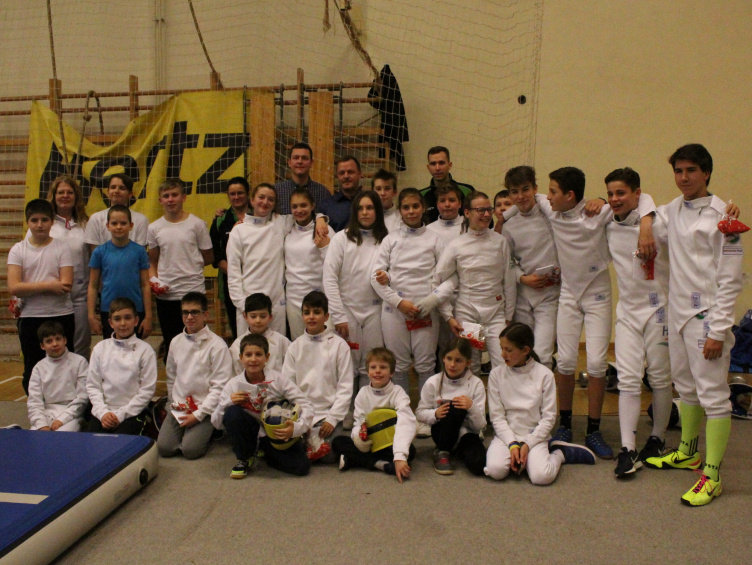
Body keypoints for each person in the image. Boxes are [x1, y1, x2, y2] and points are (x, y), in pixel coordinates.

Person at [498, 166, 656, 459]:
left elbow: (643, 199)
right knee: (566, 361)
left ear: (570, 196)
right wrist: (501, 218)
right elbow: (525, 200)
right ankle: (565, 425)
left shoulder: (599, 213)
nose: (548, 197)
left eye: (553, 192)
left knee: (595, 363)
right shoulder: (551, 209)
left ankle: (594, 430)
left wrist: (643, 223)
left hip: (598, 295)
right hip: (569, 294)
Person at [644, 144, 744, 506]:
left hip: (708, 317)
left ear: (706, 173)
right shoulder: (671, 210)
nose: (683, 178)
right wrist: (645, 226)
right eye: (678, 171)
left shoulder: (724, 217)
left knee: (713, 396)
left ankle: (713, 476)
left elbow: (731, 280)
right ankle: (688, 452)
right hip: (678, 314)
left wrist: (719, 330)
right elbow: (644, 209)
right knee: (685, 387)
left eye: (691, 171)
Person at [604, 168, 674, 478]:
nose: (614, 199)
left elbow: (652, 204)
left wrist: (646, 222)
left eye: (621, 192)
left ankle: (657, 438)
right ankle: (628, 448)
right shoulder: (608, 224)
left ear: (637, 194)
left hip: (659, 310)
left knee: (659, 377)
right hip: (628, 312)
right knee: (628, 379)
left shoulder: (658, 224)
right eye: (611, 193)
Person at [371, 188, 444, 437]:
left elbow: (444, 277)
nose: (411, 211)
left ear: (422, 207)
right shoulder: (390, 240)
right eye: (406, 207)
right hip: (395, 311)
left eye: (415, 206)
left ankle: (424, 416)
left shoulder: (435, 239)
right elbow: (376, 277)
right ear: (400, 210)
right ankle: (402, 416)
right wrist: (399, 302)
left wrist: (428, 304)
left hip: (425, 311)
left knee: (425, 364)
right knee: (399, 365)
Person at [485, 323, 595, 484]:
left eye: (508, 350)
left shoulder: (545, 375)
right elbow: (497, 417)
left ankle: (559, 453)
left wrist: (528, 444)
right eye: (501, 348)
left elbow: (548, 418)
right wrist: (512, 444)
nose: (503, 354)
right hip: (506, 436)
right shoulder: (496, 375)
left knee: (541, 477)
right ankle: (522, 457)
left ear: (525, 350)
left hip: (534, 436)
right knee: (495, 470)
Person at [431, 191, 516, 373]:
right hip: (468, 312)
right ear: (467, 213)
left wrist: (509, 315)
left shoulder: (500, 242)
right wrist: (448, 316)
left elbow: (509, 280)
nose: (486, 214)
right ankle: (472, 393)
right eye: (480, 210)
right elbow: (437, 281)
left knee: (502, 363)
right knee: (471, 364)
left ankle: (500, 394)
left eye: (488, 210)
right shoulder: (456, 245)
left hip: (495, 313)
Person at [226, 183, 327, 336]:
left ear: (274, 204)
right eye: (261, 197)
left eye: (270, 199)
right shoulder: (238, 231)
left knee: (277, 348)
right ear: (252, 200)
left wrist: (320, 218)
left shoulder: (280, 222)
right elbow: (233, 273)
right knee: (250, 348)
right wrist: (243, 305)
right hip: (249, 304)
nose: (265, 202)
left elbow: (305, 215)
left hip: (276, 305)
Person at [211, 333, 314, 478]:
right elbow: (216, 423)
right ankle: (245, 457)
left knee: (301, 467)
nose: (253, 359)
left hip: (274, 433)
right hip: (249, 431)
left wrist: (296, 428)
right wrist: (228, 401)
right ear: (241, 358)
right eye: (248, 355)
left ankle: (264, 452)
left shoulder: (279, 380)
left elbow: (306, 405)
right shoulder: (233, 385)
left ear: (267, 357)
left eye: (258, 354)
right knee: (232, 412)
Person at [8, 198, 75, 394]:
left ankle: (66, 405)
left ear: (52, 222)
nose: (39, 225)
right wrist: (50, 285)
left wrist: (29, 287)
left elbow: (66, 284)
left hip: (61, 314)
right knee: (33, 366)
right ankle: (36, 407)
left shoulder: (62, 248)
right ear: (27, 222)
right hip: (31, 317)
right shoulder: (18, 250)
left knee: (64, 365)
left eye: (44, 220)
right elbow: (14, 287)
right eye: (34, 220)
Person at [323, 191, 387, 390]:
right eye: (360, 208)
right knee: (347, 367)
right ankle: (347, 408)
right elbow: (329, 278)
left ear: (377, 211)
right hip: (347, 311)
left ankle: (367, 407)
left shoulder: (386, 240)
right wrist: (338, 316)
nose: (365, 212)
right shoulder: (341, 239)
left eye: (370, 208)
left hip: (375, 312)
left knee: (372, 366)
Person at [158, 292, 233, 460]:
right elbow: (171, 377)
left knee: (191, 450)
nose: (189, 317)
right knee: (164, 448)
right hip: (180, 405)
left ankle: (212, 430)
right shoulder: (175, 342)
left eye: (195, 312)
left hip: (204, 407)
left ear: (205, 314)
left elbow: (220, 387)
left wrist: (199, 415)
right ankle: (188, 431)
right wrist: (173, 403)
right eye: (185, 312)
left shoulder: (217, 345)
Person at [282, 291, 354, 462]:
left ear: (326, 316)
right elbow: (288, 386)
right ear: (302, 316)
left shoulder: (339, 346)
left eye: (317, 312)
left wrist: (332, 419)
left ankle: (313, 445)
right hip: (301, 414)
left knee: (330, 452)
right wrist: (299, 419)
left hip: (326, 416)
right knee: (286, 445)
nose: (311, 317)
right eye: (307, 313)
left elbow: (345, 387)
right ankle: (306, 444)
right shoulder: (295, 347)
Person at [499, 166, 559, 370]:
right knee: (519, 352)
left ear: (535, 188)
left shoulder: (550, 215)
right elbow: (508, 261)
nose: (520, 196)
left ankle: (544, 391)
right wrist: (522, 278)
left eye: (525, 189)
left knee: (543, 353)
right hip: (523, 295)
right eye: (514, 192)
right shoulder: (509, 225)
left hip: (549, 294)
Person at [148, 179, 214, 362]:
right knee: (172, 344)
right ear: (160, 200)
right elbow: (152, 260)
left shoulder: (197, 224)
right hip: (167, 296)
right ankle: (174, 380)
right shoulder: (154, 228)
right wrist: (154, 280)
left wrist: (188, 266)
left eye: (174, 195)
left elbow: (208, 257)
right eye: (166, 196)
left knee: (197, 343)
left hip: (193, 291)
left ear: (183, 197)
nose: (170, 199)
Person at [332, 347, 417, 483]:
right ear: (367, 372)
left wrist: (399, 456)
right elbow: (359, 421)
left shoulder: (398, 392)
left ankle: (357, 460)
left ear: (391, 372)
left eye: (383, 367)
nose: (377, 371)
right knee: (338, 442)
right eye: (373, 367)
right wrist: (358, 438)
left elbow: (406, 422)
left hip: (390, 444)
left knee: (411, 451)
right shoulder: (362, 393)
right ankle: (381, 465)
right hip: (370, 445)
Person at [415, 337, 486, 476]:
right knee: (455, 405)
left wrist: (471, 407)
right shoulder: (433, 382)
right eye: (449, 358)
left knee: (479, 465)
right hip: (441, 431)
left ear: (468, 363)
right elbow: (420, 413)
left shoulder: (476, 383)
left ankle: (457, 449)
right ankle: (442, 451)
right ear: (443, 358)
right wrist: (435, 414)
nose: (452, 364)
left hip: (467, 432)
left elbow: (480, 425)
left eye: (458, 360)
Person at [86, 297, 157, 435]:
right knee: (92, 442)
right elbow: (93, 385)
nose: (123, 323)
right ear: (110, 323)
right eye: (117, 319)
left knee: (121, 443)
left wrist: (120, 415)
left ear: (136, 321)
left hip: (133, 413)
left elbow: (147, 391)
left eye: (128, 318)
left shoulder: (145, 351)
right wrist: (103, 413)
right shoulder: (100, 348)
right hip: (103, 412)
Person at [43, 175, 91, 358]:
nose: (65, 196)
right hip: (53, 293)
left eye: (69, 192)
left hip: (80, 295)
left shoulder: (86, 224)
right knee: (54, 343)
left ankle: (81, 375)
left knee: (81, 343)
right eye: (60, 192)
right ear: (53, 196)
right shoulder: (44, 224)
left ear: (76, 196)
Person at [88, 205, 152, 340]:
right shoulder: (99, 252)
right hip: (108, 310)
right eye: (114, 223)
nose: (119, 227)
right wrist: (91, 316)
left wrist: (148, 316)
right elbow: (93, 286)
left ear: (131, 225)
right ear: (108, 226)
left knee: (134, 348)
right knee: (111, 349)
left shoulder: (140, 252)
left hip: (136, 309)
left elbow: (145, 285)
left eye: (123, 223)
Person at [284, 187, 334, 341]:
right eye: (295, 206)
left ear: (313, 205)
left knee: (325, 344)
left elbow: (335, 263)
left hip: (319, 298)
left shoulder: (324, 230)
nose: (299, 210)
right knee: (299, 343)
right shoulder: (287, 228)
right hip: (293, 300)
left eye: (303, 205)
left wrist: (320, 218)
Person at [27, 321, 88, 432]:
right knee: (36, 436)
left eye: (58, 339)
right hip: (47, 413)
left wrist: (62, 420)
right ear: (42, 346)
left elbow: (83, 397)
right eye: (49, 341)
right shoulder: (38, 368)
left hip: (72, 414)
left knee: (61, 436)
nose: (55, 344)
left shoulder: (79, 362)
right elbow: (34, 401)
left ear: (65, 340)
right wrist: (41, 424)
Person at [210, 176, 250, 339]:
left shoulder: (259, 216)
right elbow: (215, 254)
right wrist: (235, 273)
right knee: (237, 326)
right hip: (231, 282)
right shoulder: (221, 220)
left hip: (257, 278)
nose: (236, 197)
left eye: (240, 193)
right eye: (232, 194)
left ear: (248, 193)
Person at [84, 173, 149, 252]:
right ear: (108, 192)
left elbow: (140, 252)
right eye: (113, 187)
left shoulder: (141, 220)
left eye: (122, 188)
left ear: (130, 194)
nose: (116, 191)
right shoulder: (96, 218)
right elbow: (94, 252)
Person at [229, 293, 290, 376]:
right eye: (253, 316)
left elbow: (290, 369)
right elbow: (235, 374)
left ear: (270, 317)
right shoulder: (237, 345)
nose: (258, 320)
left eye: (263, 316)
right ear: (245, 316)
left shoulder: (281, 341)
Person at [420, 146, 474, 223]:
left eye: (441, 163)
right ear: (428, 167)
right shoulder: (421, 195)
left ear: (450, 165)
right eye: (433, 164)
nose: (437, 168)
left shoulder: (467, 191)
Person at [275, 142, 331, 215]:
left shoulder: (323, 193)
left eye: (304, 158)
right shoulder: (277, 191)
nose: (300, 161)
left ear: (311, 163)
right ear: (289, 162)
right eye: (296, 158)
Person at [319, 155, 363, 232]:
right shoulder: (326, 206)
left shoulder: (371, 202)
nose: (346, 176)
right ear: (337, 176)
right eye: (341, 173)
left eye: (350, 172)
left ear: (359, 174)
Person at [371, 168, 401, 232]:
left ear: (395, 192)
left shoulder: (401, 218)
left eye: (387, 189)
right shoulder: (366, 217)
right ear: (372, 192)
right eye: (378, 189)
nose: (382, 193)